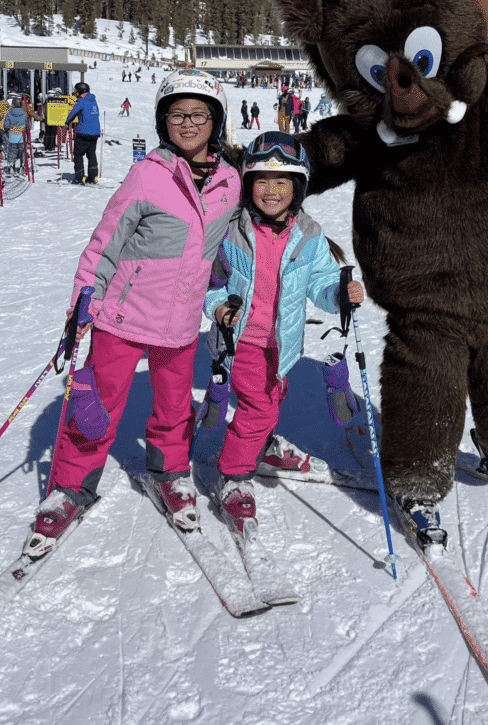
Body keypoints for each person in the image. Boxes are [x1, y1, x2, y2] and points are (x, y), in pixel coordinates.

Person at [23, 70, 241, 557]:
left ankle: (169, 472)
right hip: (121, 317)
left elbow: (242, 238)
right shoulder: (149, 174)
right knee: (96, 407)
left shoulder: (231, 182)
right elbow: (106, 243)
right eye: (177, 114)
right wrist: (84, 299)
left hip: (181, 322)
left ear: (216, 120)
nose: (188, 123)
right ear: (164, 121)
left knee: (172, 407)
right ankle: (70, 485)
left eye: (199, 114)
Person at [203, 132, 364, 534]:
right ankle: (234, 474)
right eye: (261, 181)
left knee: (274, 394)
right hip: (240, 342)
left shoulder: (308, 236)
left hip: (283, 342)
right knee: (259, 406)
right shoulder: (232, 231)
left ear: (298, 187)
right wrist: (219, 306)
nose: (271, 191)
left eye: (281, 182)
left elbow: (322, 282)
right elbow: (211, 282)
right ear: (248, 184)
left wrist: (339, 293)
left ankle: (263, 446)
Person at [65, 82, 101, 185]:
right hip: (94, 133)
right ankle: (93, 177)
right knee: (91, 155)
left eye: (76, 91)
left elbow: (73, 112)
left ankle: (79, 178)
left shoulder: (81, 101)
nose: (75, 93)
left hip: (83, 132)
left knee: (78, 154)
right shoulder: (93, 100)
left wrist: (67, 122)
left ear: (81, 91)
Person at [3, 97, 28, 174]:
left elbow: (6, 125)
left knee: (12, 151)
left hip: (12, 135)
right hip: (22, 135)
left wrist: (7, 129)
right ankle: (22, 165)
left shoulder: (9, 113)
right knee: (22, 151)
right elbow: (27, 125)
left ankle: (11, 166)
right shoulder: (24, 114)